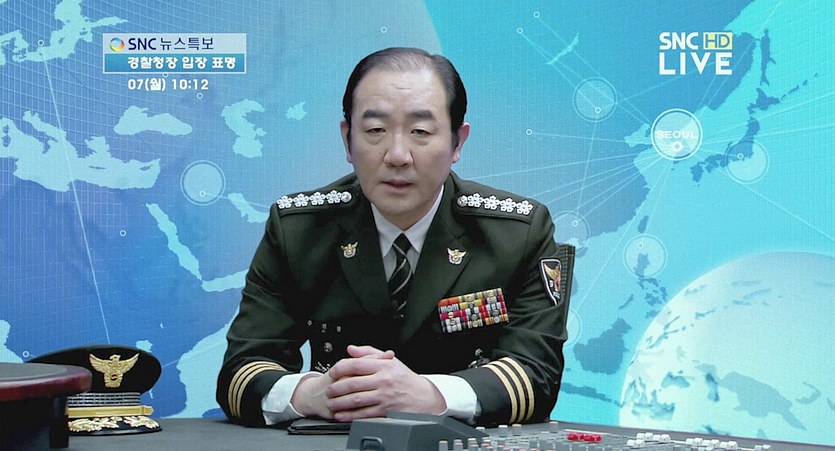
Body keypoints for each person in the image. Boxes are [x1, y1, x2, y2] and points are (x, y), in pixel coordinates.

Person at [216, 47, 569, 428]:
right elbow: (241, 372)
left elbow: (537, 375)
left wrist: (430, 396)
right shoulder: (299, 230)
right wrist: (314, 393)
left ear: (458, 142)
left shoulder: (517, 234)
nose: (397, 155)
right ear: (347, 139)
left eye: (420, 132)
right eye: (375, 131)